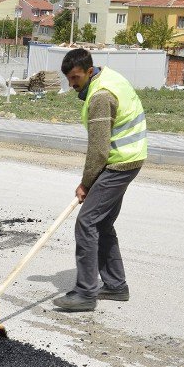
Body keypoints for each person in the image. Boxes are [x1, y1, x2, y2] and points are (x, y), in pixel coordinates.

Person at [55, 48, 147, 311]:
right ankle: (116, 286)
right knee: (102, 222)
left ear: (89, 70)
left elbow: (98, 150)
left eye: (76, 78)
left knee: (87, 223)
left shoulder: (100, 96)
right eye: (69, 79)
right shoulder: (110, 77)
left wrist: (86, 183)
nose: (72, 85)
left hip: (119, 163)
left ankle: (85, 293)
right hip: (129, 157)